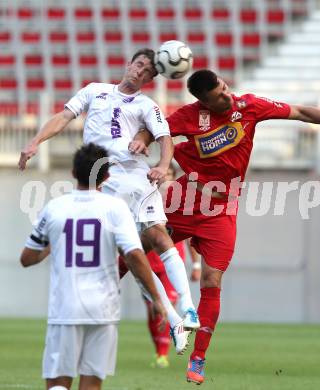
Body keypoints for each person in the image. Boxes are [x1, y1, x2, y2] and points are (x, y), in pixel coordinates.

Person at [131, 69, 320, 384]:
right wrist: (141, 139)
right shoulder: (189, 116)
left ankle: (198, 358)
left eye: (225, 88)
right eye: (218, 96)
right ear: (203, 101)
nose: (227, 96)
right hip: (184, 200)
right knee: (135, 245)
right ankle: (107, 281)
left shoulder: (249, 106)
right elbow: (155, 129)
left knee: (213, 280)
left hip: (221, 212)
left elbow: (298, 112)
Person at [18, 48, 200, 338]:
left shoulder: (146, 105)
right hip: (102, 182)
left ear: (150, 79)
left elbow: (165, 138)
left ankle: (188, 308)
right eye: (139, 64)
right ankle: (174, 318)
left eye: (148, 72)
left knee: (157, 236)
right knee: (130, 255)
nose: (140, 71)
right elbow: (64, 116)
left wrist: (163, 166)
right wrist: (35, 141)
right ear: (129, 63)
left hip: (136, 178)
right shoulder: (95, 91)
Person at [20, 143, 167, 390]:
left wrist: (53, 245)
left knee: (57, 383)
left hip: (65, 307)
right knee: (91, 384)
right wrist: (157, 299)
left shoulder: (54, 208)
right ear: (107, 177)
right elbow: (135, 256)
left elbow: (27, 258)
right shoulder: (115, 207)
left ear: (73, 173)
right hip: (103, 309)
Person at [143, 164, 201, 368]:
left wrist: (196, 264)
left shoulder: (178, 201)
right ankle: (161, 349)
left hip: (169, 263)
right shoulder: (145, 198)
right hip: (146, 261)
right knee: (153, 310)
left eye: (168, 174)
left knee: (165, 305)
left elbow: (188, 234)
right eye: (161, 174)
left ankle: (163, 353)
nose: (163, 177)